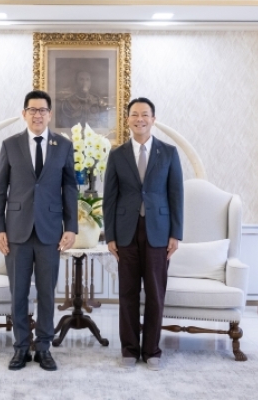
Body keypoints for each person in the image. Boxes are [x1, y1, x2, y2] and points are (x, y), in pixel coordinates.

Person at [0, 90, 78, 371]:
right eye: (32, 110)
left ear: (50, 115)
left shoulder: (63, 146)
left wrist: (71, 227)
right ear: (24, 114)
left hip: (50, 231)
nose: (37, 115)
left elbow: (69, 188)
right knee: (18, 294)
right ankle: (20, 348)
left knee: (46, 293)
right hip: (16, 231)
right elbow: (0, 189)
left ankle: (43, 348)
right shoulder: (10, 145)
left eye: (42, 110)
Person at [102, 97, 183, 371]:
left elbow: (176, 195)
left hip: (159, 232)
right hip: (126, 232)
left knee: (155, 293)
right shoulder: (117, 155)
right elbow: (109, 198)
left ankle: (152, 350)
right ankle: (129, 349)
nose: (140, 119)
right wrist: (110, 235)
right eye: (134, 114)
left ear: (153, 119)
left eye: (145, 114)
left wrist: (176, 234)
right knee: (127, 293)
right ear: (128, 120)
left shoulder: (168, 153)